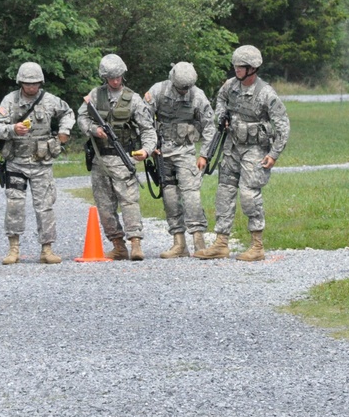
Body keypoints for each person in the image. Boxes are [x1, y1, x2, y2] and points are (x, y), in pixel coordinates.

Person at [195, 45, 289, 262]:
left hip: (255, 149)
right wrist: (221, 116)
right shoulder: (230, 86)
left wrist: (274, 154)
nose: (236, 69)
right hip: (231, 147)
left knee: (249, 195)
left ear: (252, 68)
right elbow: (219, 101)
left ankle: (257, 246)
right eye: (235, 65)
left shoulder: (266, 93)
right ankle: (221, 243)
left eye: (241, 66)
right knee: (224, 193)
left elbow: (283, 125)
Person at [0, 62, 75, 264]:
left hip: (41, 163)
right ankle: (13, 250)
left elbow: (68, 113)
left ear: (40, 82)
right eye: (28, 84)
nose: (31, 87)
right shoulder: (10, 100)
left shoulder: (49, 100)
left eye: (35, 83)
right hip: (16, 162)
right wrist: (12, 129)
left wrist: (64, 132)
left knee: (45, 206)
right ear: (20, 82)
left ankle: (47, 249)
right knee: (14, 205)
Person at [77, 54, 157, 261]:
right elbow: (82, 119)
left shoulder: (134, 99)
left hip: (124, 159)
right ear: (105, 77)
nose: (115, 81)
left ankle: (135, 243)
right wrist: (95, 130)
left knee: (130, 201)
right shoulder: (95, 96)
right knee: (104, 205)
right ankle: (118, 245)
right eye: (112, 77)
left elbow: (148, 128)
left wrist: (146, 150)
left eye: (119, 76)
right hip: (100, 160)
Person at [144, 62, 216, 258]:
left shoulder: (198, 95)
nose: (184, 91)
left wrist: (204, 155)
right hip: (162, 153)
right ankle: (179, 243)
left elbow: (210, 126)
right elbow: (144, 121)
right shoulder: (158, 91)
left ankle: (199, 242)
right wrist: (150, 147)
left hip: (185, 151)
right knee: (170, 197)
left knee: (191, 195)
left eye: (187, 88)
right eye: (181, 87)